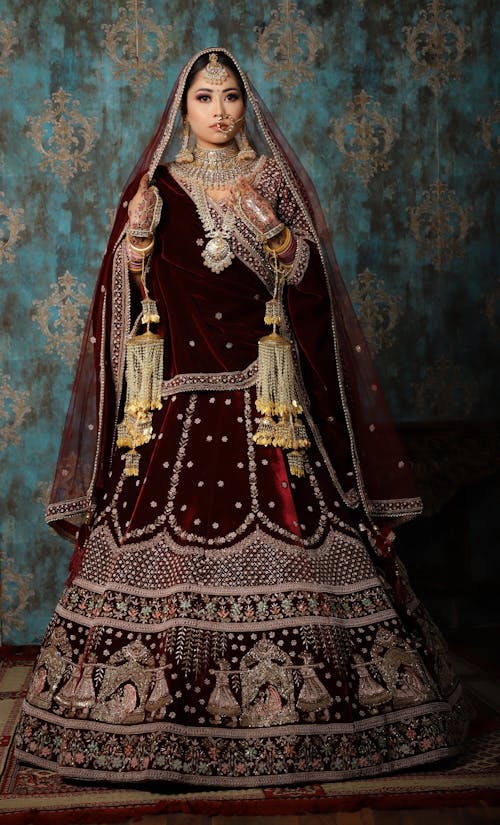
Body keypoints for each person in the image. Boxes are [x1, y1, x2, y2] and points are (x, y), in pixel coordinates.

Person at [15, 48, 470, 786]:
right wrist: (135, 242)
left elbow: (313, 292)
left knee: (307, 538)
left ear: (244, 105)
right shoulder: (155, 189)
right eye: (204, 97)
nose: (220, 111)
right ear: (182, 108)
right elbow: (131, 307)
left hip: (271, 399)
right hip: (182, 404)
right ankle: (155, 723)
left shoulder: (273, 181)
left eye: (230, 97)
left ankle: (318, 720)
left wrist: (279, 237)